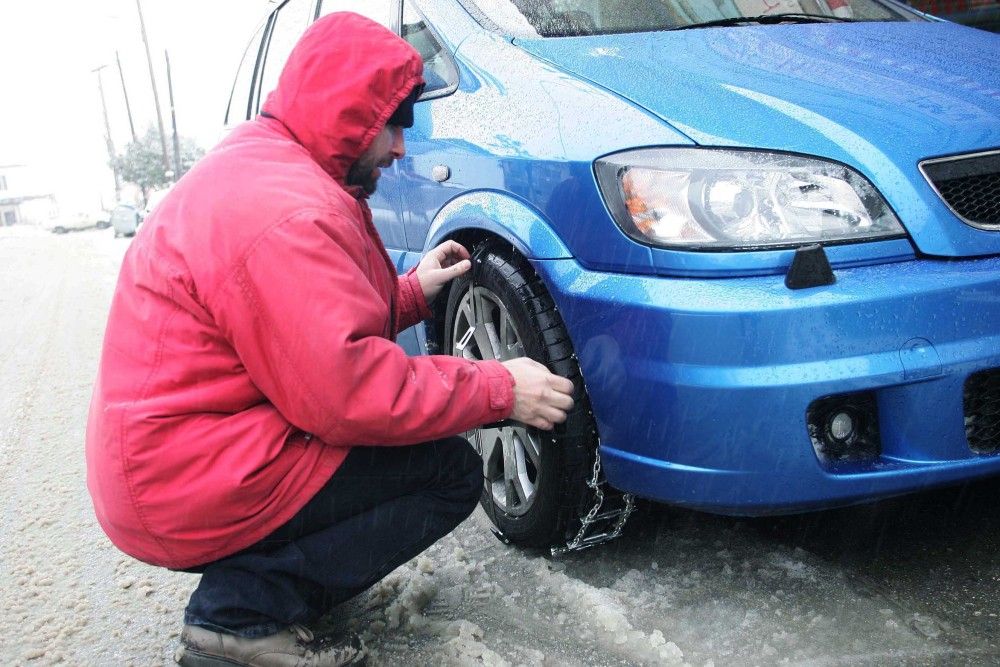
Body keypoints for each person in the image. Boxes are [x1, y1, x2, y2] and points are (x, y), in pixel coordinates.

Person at [85, 12, 575, 667]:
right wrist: (500, 386)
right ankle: (239, 616)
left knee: (390, 454)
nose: (402, 146)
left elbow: (302, 329)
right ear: (348, 114)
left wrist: (410, 292)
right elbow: (348, 393)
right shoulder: (289, 212)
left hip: (182, 457)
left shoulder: (271, 167)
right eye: (393, 124)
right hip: (189, 475)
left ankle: (273, 580)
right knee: (446, 473)